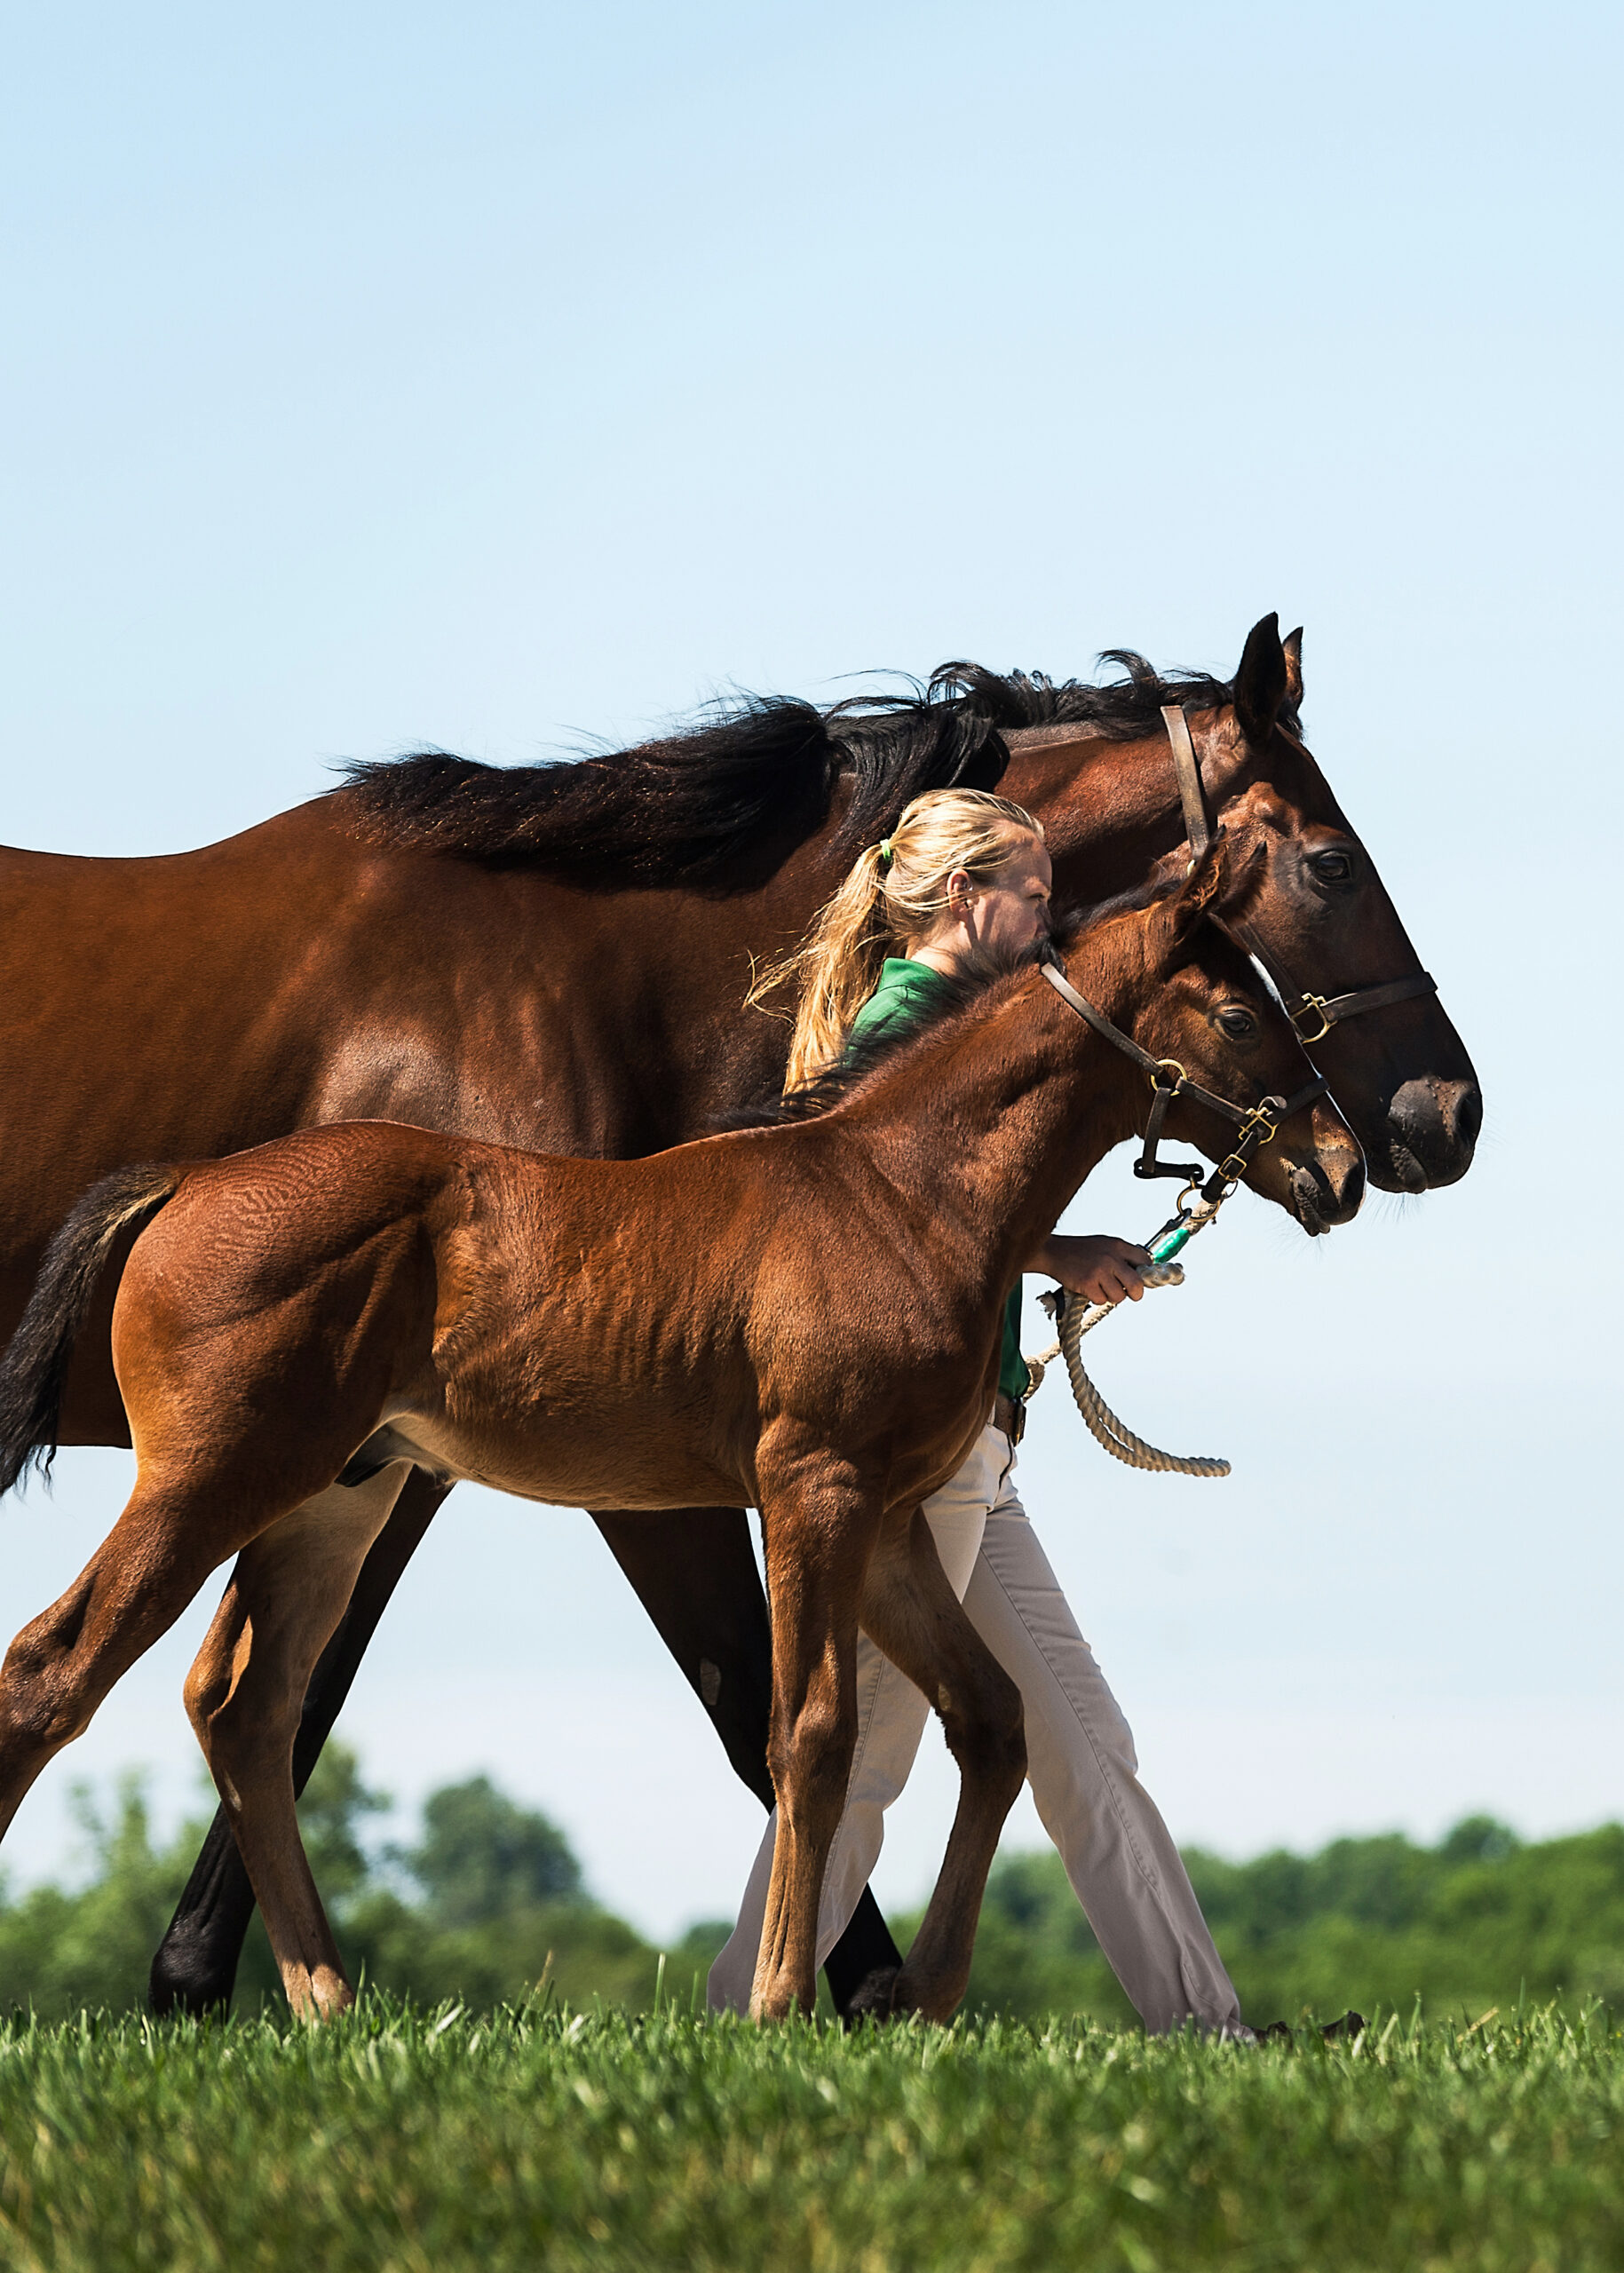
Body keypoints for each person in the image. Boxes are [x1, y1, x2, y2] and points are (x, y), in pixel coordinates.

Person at [708, 787, 1248, 2035]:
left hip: (974, 1456)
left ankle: (1209, 2034)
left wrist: (1056, 1255)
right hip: (916, 1467)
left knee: (1082, 1742)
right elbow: (865, 1237)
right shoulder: (910, 1019)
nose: (1050, 922)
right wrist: (1057, 1256)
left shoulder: (958, 1017)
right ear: (967, 897)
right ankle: (745, 2019)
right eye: (1036, 896)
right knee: (870, 1762)